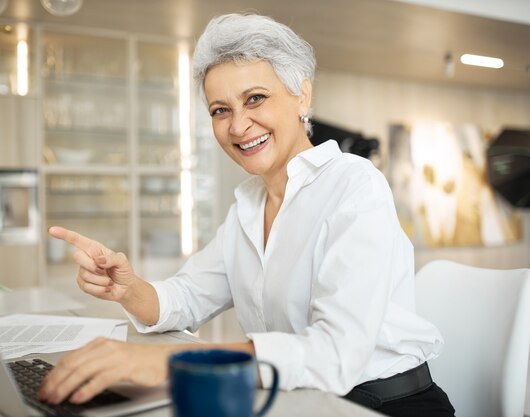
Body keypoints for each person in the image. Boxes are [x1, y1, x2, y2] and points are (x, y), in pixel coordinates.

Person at [38, 13, 456, 417]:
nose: (238, 126)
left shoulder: (355, 187)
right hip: (301, 398)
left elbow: (335, 354)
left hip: (385, 405)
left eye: (255, 98)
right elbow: (186, 298)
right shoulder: (248, 207)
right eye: (220, 110)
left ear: (302, 96)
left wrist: (163, 363)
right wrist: (126, 288)